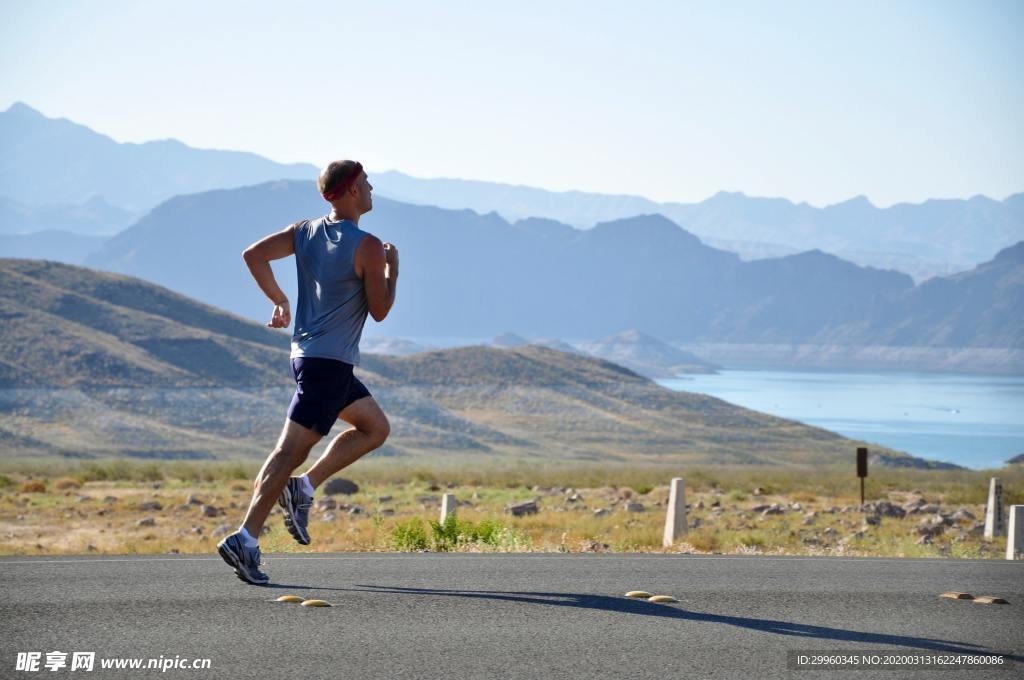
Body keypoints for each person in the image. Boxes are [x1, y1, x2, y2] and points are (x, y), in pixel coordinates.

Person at [217, 160, 398, 584]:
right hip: (328, 365)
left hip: (310, 358)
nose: (372, 190)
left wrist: (280, 300)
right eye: (367, 184)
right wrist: (393, 269)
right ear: (352, 190)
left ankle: (304, 487)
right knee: (287, 452)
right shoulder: (368, 246)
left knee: (374, 428)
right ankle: (245, 538)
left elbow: (253, 254)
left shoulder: (305, 231)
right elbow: (380, 310)